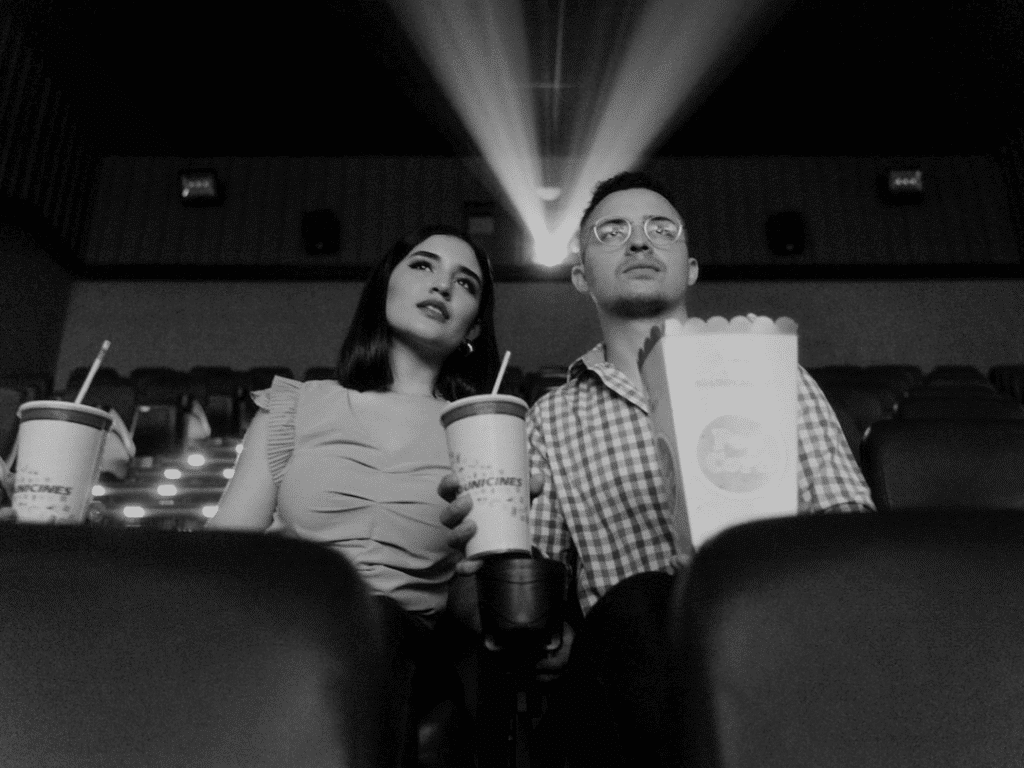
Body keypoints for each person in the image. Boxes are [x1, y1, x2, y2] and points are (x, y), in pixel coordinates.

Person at [441, 171, 875, 767]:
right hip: (635, 664)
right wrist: (510, 587)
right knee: (644, 602)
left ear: (690, 266)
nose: (639, 242)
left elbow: (848, 528)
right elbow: (531, 584)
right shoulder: (551, 418)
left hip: (781, 638)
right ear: (580, 275)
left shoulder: (775, 377)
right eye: (612, 231)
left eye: (660, 229)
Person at [209, 224, 500, 768]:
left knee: (382, 623)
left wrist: (489, 550)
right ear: (386, 284)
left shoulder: (480, 433)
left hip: (408, 651)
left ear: (474, 327)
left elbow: (478, 611)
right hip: (293, 629)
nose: (441, 286)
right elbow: (225, 552)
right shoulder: (295, 406)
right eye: (422, 266)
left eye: (465, 283)